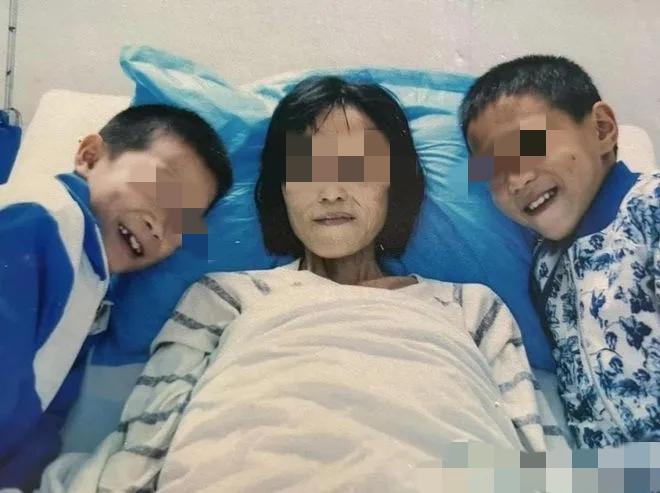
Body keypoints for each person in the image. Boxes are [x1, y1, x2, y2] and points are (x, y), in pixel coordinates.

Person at [40, 76, 553, 492]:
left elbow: (536, 450)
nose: (330, 191)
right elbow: (145, 440)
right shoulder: (224, 296)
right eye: (306, 168)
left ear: (393, 182)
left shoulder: (470, 306)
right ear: (281, 189)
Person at [0, 104, 233, 490]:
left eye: (184, 222)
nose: (161, 225)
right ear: (90, 157)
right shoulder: (41, 218)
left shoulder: (91, 283)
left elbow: (48, 410)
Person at [460, 54, 660, 448]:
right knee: (449, 466)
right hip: (610, 470)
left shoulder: (649, 206)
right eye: (493, 169)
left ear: (602, 129)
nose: (516, 180)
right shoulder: (544, 267)